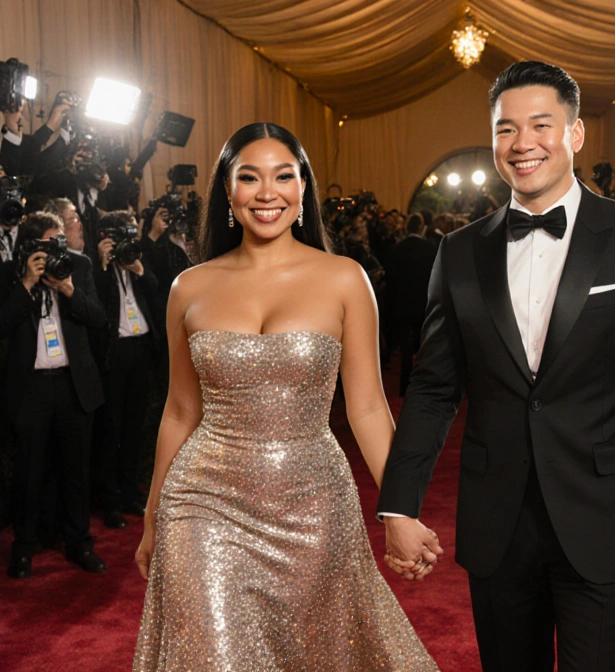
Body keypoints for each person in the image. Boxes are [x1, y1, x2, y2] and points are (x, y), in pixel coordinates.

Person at [378, 62, 615, 671]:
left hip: (607, 519)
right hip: (496, 523)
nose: (522, 143)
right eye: (505, 129)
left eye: (540, 125)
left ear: (575, 134)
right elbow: (432, 389)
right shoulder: (460, 250)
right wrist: (399, 502)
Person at [132, 122, 437, 671]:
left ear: (302, 190)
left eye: (283, 176)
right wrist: (155, 516)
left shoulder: (345, 279)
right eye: (249, 177)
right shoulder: (190, 286)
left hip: (314, 503)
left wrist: (401, 509)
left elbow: (367, 406)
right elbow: (180, 411)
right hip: (202, 504)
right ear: (228, 192)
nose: (266, 192)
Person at [0, 211, 108, 578]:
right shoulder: (11, 273)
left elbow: (98, 318)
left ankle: (79, 543)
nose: (54, 251)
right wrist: (27, 283)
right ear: (28, 246)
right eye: (46, 245)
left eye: (58, 242)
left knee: (76, 470)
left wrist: (68, 289)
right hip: (31, 388)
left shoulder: (79, 266)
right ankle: (24, 546)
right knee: (28, 471)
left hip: (74, 385)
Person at [90, 211, 162, 528]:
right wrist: (104, 265)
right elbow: (96, 303)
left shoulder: (134, 259)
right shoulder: (97, 267)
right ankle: (110, 500)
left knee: (134, 425)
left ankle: (131, 492)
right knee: (112, 428)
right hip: (113, 352)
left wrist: (137, 267)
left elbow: (156, 285)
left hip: (141, 346)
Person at [386, 212, 438, 396]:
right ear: (421, 226)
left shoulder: (397, 249)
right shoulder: (430, 248)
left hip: (402, 304)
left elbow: (389, 279)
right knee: (422, 343)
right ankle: (422, 383)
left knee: (404, 345)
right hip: (423, 302)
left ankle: (404, 385)